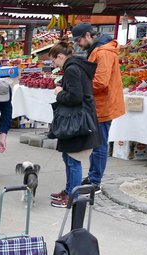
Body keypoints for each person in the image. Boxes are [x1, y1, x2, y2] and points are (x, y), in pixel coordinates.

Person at [72, 22, 125, 193]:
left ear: (88, 35)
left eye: (78, 40)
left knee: (99, 145)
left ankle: (95, 182)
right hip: (98, 104)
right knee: (96, 144)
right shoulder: (98, 50)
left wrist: (80, 87)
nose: (78, 44)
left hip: (103, 105)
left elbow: (100, 82)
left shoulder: (103, 52)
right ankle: (93, 176)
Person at [48, 42, 101, 208]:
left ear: (61, 56)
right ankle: (69, 190)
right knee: (68, 156)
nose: (54, 65)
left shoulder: (71, 69)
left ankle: (73, 196)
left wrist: (59, 93)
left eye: (54, 61)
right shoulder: (77, 66)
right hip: (79, 118)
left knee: (73, 160)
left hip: (76, 121)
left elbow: (75, 97)